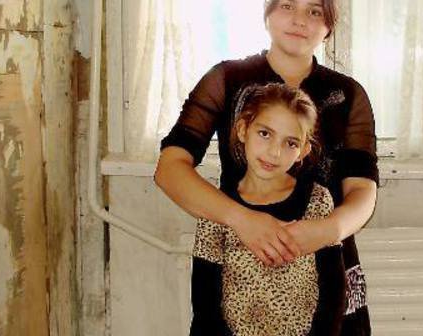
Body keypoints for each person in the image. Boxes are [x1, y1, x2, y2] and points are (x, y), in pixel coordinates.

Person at [154, 0, 378, 334]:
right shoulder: (227, 78)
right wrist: (241, 219)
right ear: (267, 12)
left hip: (326, 275)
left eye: (315, 11)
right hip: (240, 277)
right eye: (287, 5)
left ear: (329, 26)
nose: (300, 20)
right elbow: (170, 169)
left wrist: (326, 230)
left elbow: (362, 190)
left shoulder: (348, 94)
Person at [190, 83, 347, 335]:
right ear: (243, 130)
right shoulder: (218, 208)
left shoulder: (317, 201)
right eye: (265, 134)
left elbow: (334, 291)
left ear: (303, 151)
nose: (274, 152)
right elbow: (204, 304)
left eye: (290, 143)